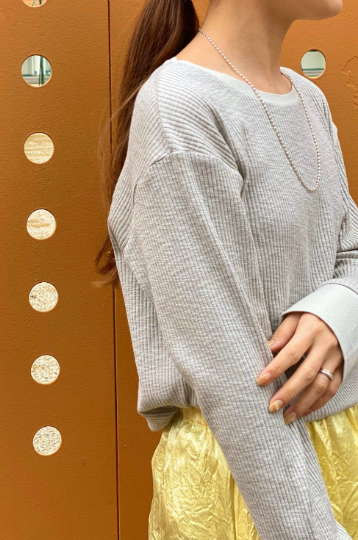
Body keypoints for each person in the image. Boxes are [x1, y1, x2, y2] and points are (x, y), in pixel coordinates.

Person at [95, 0, 358, 538]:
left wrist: (339, 313)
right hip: (248, 481)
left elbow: (352, 251)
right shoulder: (180, 107)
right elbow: (232, 375)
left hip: (341, 450)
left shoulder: (308, 99)